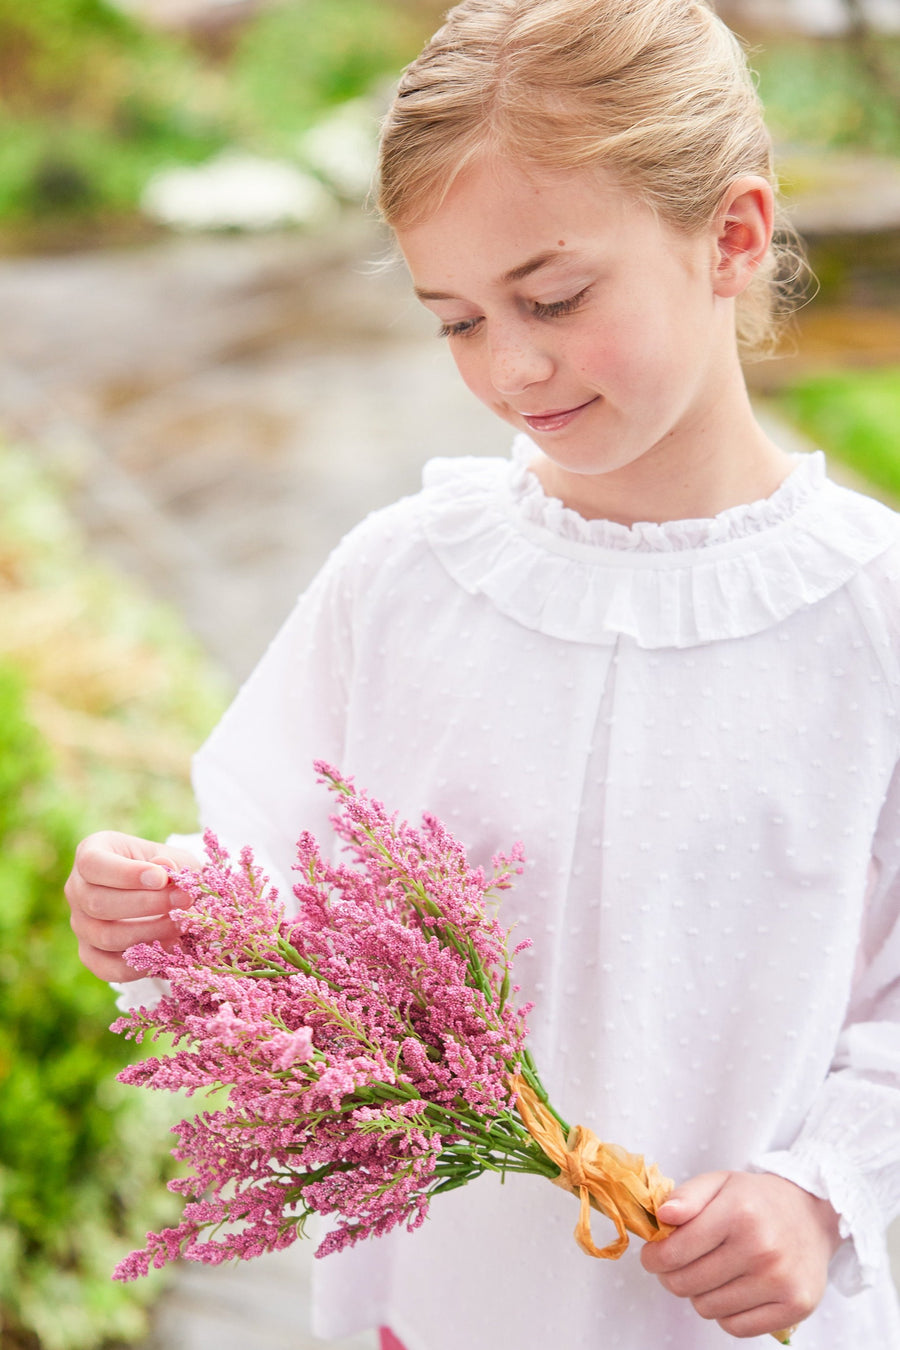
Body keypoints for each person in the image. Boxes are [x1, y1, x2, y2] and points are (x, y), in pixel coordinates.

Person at [65, 1, 900, 1346]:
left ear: (731, 239)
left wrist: (825, 1192)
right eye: (455, 319)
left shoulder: (871, 616)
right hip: (455, 1304)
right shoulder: (405, 580)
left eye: (554, 297)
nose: (510, 365)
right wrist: (166, 910)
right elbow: (296, 913)